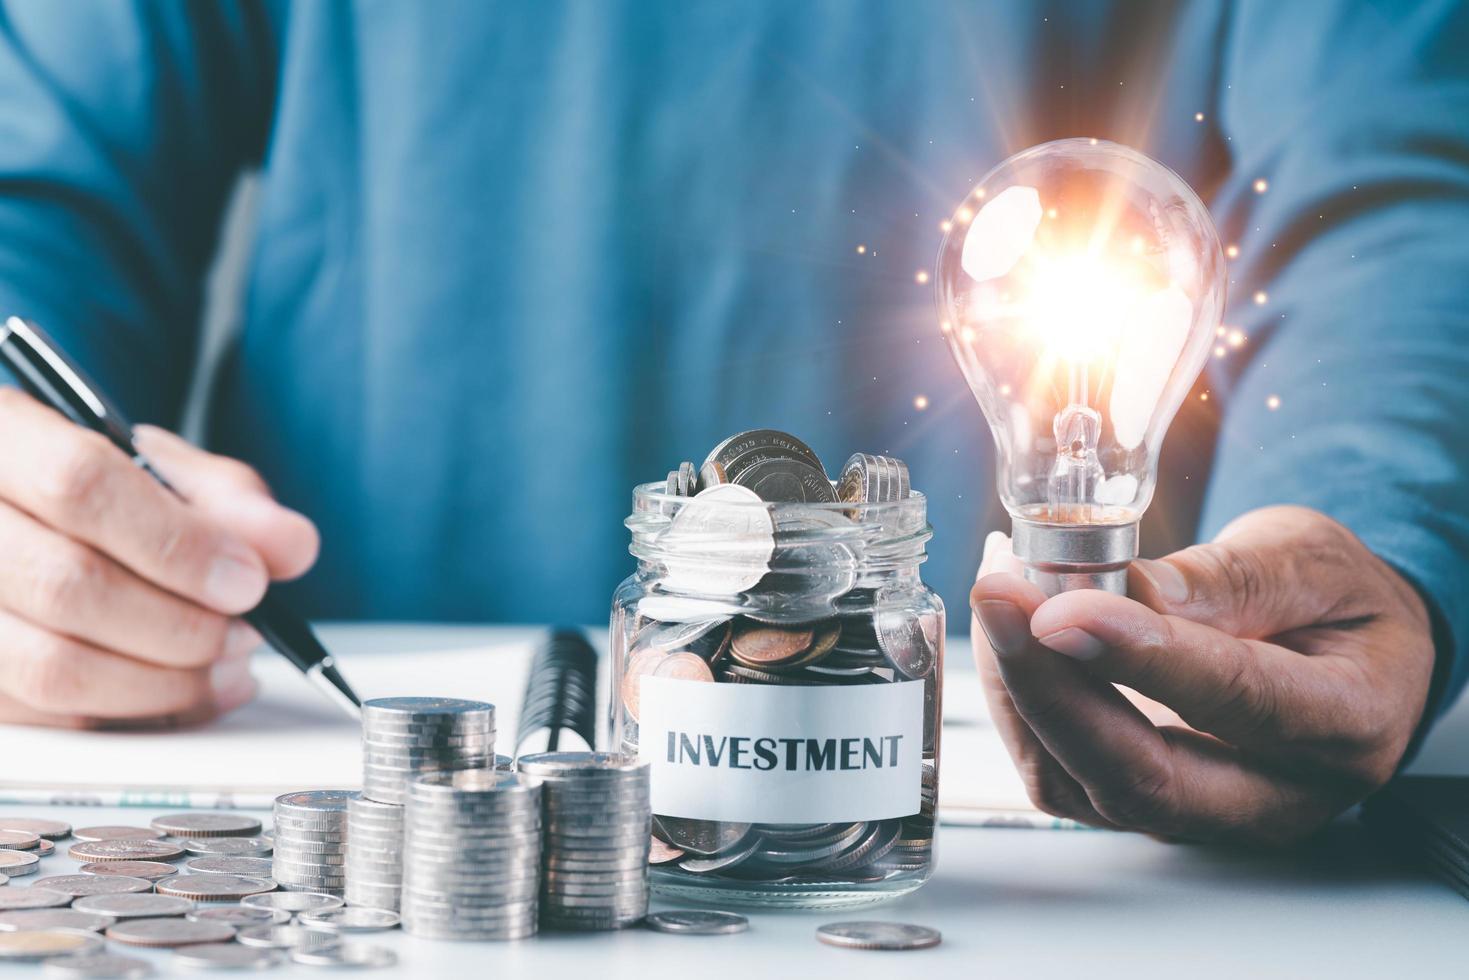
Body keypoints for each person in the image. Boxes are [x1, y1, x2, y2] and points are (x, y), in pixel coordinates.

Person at [0, 2, 1464, 844]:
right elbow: (40, 165)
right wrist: (30, 482)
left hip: (1095, 789)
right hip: (328, 715)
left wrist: (1373, 526)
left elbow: (1388, 175)